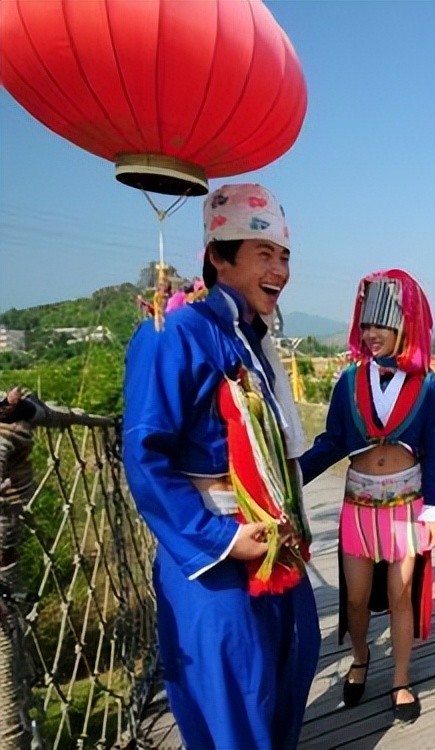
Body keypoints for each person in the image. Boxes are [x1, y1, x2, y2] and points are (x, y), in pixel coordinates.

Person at [122, 183, 320, 749]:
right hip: (215, 552)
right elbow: (145, 454)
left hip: (272, 541)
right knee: (236, 699)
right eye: (265, 254)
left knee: (292, 660)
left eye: (284, 256)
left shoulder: (251, 340)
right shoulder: (174, 334)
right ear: (218, 256)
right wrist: (222, 539)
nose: (280, 270)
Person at [298, 269, 435, 724]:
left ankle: (400, 679)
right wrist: (291, 476)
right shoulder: (348, 380)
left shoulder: (426, 384)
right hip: (359, 505)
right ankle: (361, 657)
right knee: (356, 598)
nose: (371, 334)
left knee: (401, 595)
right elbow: (332, 441)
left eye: (380, 324)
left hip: (407, 506)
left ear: (404, 325)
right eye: (365, 325)